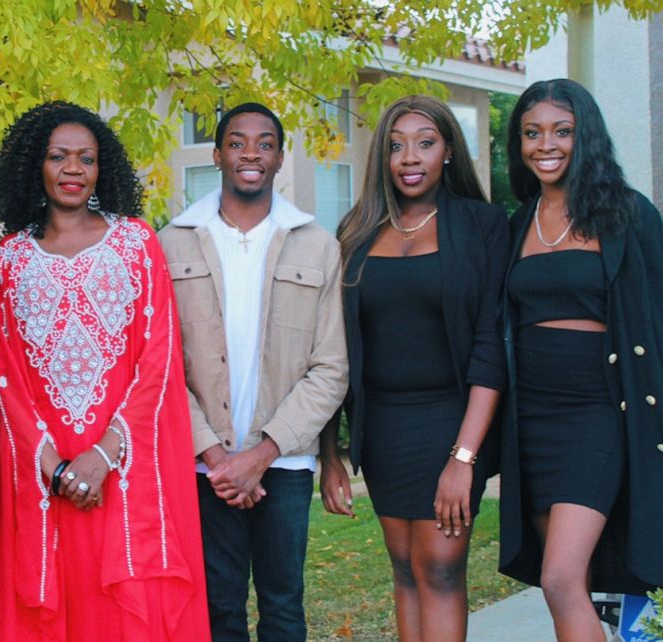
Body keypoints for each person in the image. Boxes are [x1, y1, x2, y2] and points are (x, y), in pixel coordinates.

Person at [0, 101, 210, 641]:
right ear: (35, 165)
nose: (73, 170)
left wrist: (103, 455)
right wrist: (55, 466)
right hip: (44, 472)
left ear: (102, 168)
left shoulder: (135, 243)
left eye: (86, 158)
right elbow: (1, 371)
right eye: (59, 157)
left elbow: (159, 358)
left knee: (125, 610)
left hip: (123, 467)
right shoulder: (10, 258)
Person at [158, 102, 350, 642]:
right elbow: (162, 366)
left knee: (284, 607)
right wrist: (220, 459)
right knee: (216, 610)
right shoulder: (172, 242)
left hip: (284, 465)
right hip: (204, 467)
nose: (251, 153)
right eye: (237, 142)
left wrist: (260, 455)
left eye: (265, 143)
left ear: (280, 158)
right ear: (218, 154)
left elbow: (331, 366)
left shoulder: (317, 244)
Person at [328, 95, 508, 642]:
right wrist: (329, 451)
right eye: (396, 145)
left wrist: (464, 458)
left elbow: (490, 342)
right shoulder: (356, 230)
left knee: (441, 567)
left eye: (425, 143)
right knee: (404, 568)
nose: (410, 157)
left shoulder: (482, 224)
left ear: (448, 150)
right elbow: (334, 346)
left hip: (450, 421)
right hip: (382, 427)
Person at [500, 78, 663, 640]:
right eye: (532, 132)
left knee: (560, 579)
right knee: (576, 584)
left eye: (562, 131)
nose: (546, 144)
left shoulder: (627, 214)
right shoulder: (517, 223)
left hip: (598, 413)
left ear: (585, 136)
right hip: (533, 421)